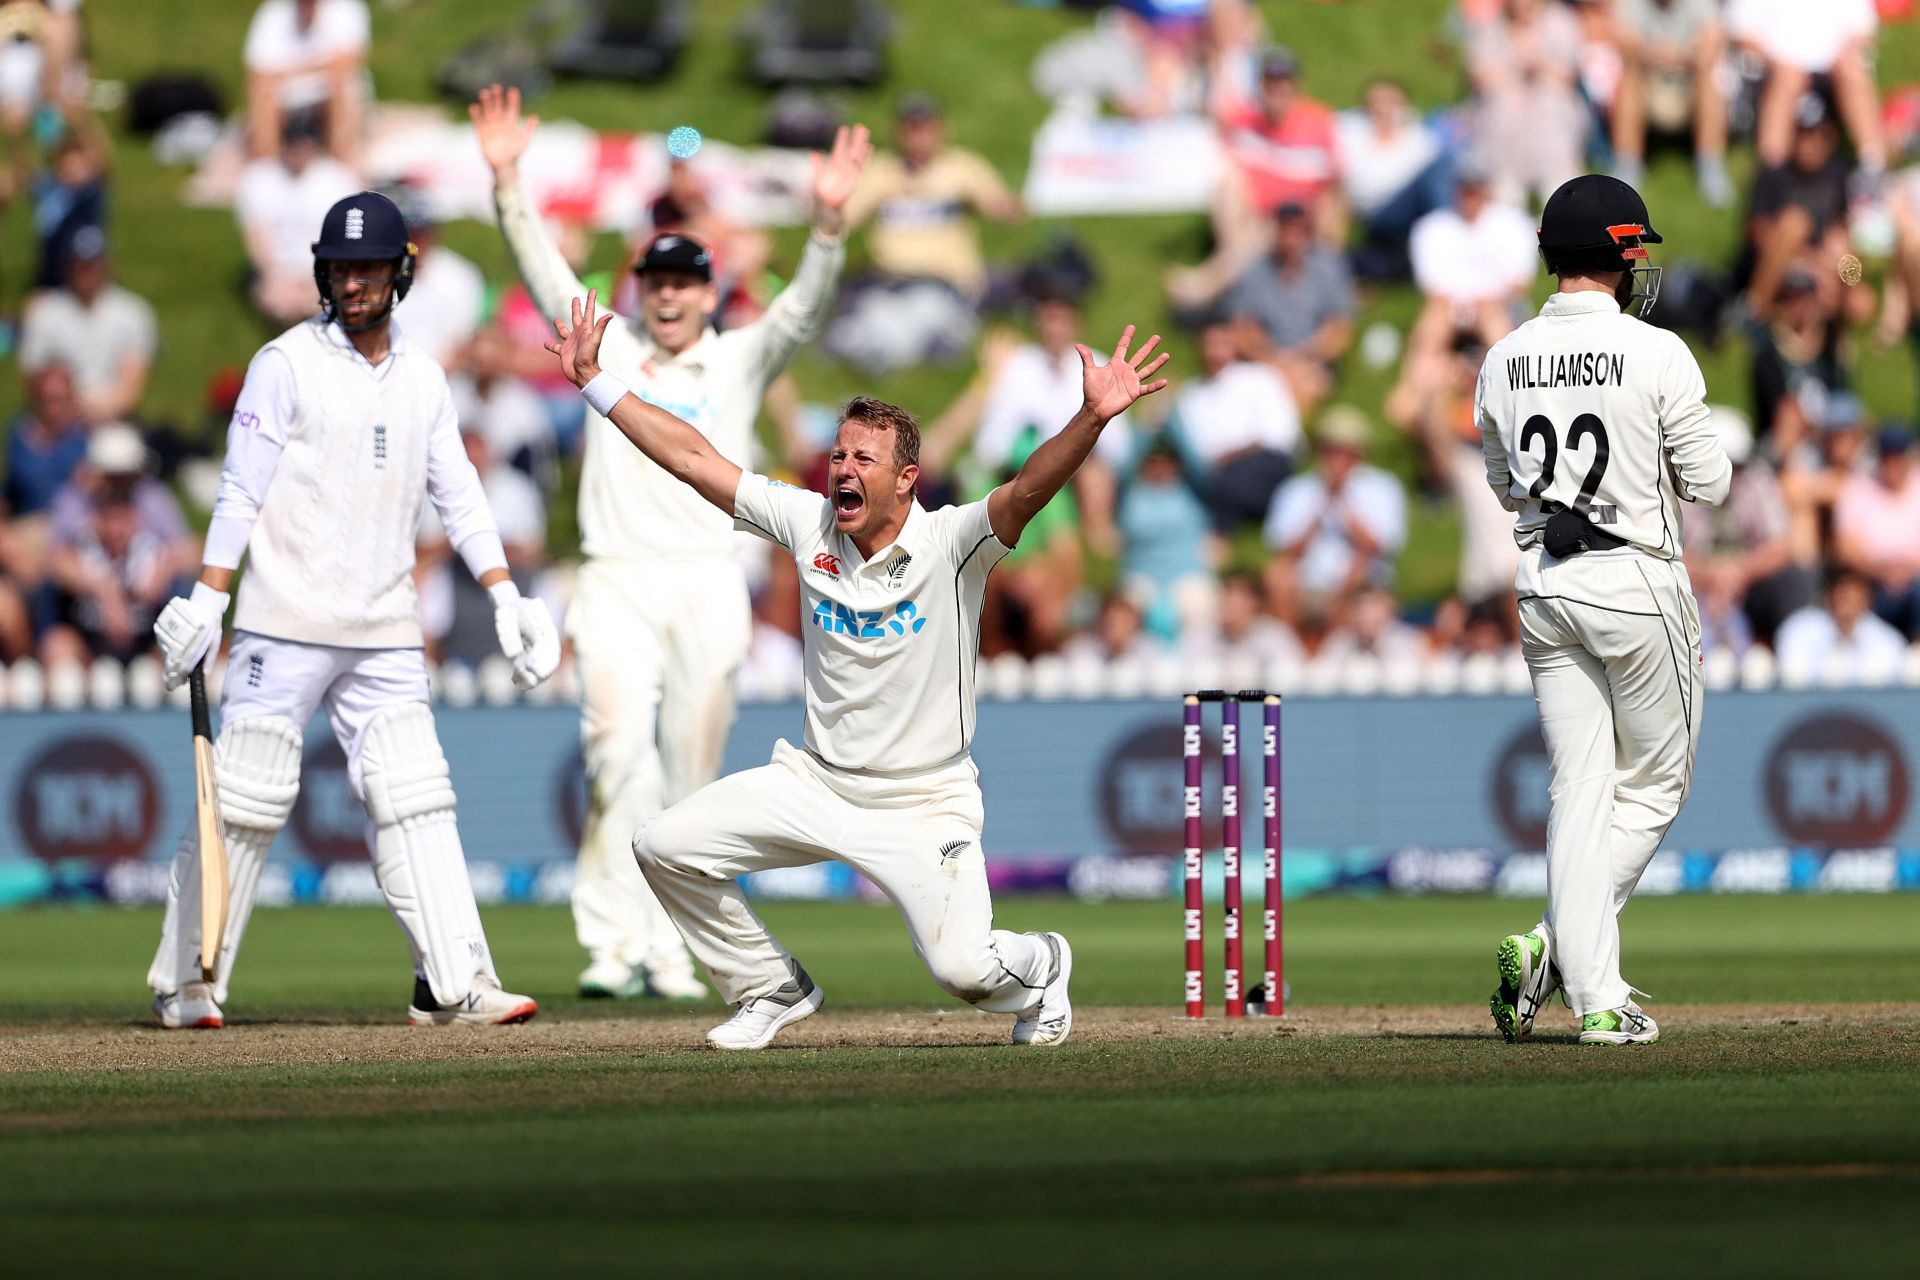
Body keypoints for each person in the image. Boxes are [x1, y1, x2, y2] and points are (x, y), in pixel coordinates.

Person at [544, 289, 1169, 1049]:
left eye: (863, 458)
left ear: (905, 479)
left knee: (965, 972)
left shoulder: (953, 543)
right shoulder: (807, 519)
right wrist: (598, 384)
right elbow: (693, 459)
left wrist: (1093, 417)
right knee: (663, 846)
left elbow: (1030, 488)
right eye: (838, 453)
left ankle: (1042, 965)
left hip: (923, 802)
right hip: (816, 783)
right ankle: (768, 985)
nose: (842, 467)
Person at [472, 84, 867, 1002]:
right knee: (617, 756)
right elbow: (542, 276)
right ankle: (612, 945)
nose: (671, 298)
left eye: (686, 284)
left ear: (709, 292)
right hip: (615, 578)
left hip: (706, 578)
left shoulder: (736, 357)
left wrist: (830, 226)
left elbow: (803, 312)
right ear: (640, 290)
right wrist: (506, 183)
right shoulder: (610, 350)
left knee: (690, 776)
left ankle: (669, 946)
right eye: (658, 284)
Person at [143, 191, 561, 1031]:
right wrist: (208, 596)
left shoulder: (424, 378)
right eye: (341, 267)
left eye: (370, 267)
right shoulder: (284, 363)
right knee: (247, 795)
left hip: (385, 627)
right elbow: (240, 487)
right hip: (283, 618)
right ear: (322, 273)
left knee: (416, 792)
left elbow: (462, 497)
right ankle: (189, 981)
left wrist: (505, 593)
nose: (355, 281)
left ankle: (453, 983)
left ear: (401, 272)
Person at [1477, 174, 1730, 1047]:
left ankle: (1581, 981)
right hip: (1636, 581)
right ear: (1621, 254)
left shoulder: (1502, 356)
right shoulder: (1656, 351)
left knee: (1578, 791)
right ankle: (1573, 969)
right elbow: (1712, 481)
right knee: (1656, 785)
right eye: (1637, 248)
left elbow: (1505, 485)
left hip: (1544, 584)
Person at [843, 92, 1022, 303]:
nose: (918, 137)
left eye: (925, 127)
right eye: (911, 128)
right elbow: (841, 222)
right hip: (889, 282)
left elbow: (1009, 210)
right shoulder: (879, 170)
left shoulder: (962, 167)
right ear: (897, 131)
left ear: (942, 129)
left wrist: (989, 202)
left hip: (948, 283)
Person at [17, 225, 156, 425]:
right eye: (80, 264)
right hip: (56, 420)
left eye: (93, 263)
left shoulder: (133, 312)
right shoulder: (44, 312)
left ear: (106, 263)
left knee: (117, 450)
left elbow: (131, 388)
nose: (87, 271)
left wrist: (95, 411)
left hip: (114, 420)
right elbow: (32, 378)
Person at [236, 107, 358, 326]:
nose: (299, 152)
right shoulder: (258, 179)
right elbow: (256, 235)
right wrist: (274, 276)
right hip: (277, 271)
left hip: (325, 269)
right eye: (293, 144)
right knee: (280, 303)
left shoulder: (337, 179)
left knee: (324, 301)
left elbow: (347, 237)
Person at [1609, 0, 1732, 207]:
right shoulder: (1630, 5)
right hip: (1649, 86)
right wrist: (1651, 54)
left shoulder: (1702, 5)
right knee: (1629, 78)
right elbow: (1624, 44)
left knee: (1709, 82)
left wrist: (1676, 57)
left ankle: (1710, 165)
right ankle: (1627, 165)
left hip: (1688, 88)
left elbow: (1710, 49)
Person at [243, 0, 369, 163]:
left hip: (326, 89)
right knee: (263, 92)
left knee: (341, 87)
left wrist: (289, 70)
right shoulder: (275, 12)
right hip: (288, 92)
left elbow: (345, 64)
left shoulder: (346, 9)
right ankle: (266, 169)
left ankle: (341, 166)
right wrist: (317, 65)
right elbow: (258, 71)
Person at [1774, 568, 1907, 682]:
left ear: (1868, 599)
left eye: (1855, 594)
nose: (1847, 601)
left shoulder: (1888, 639)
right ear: (1828, 596)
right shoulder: (1798, 629)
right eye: (1842, 593)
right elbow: (1794, 676)